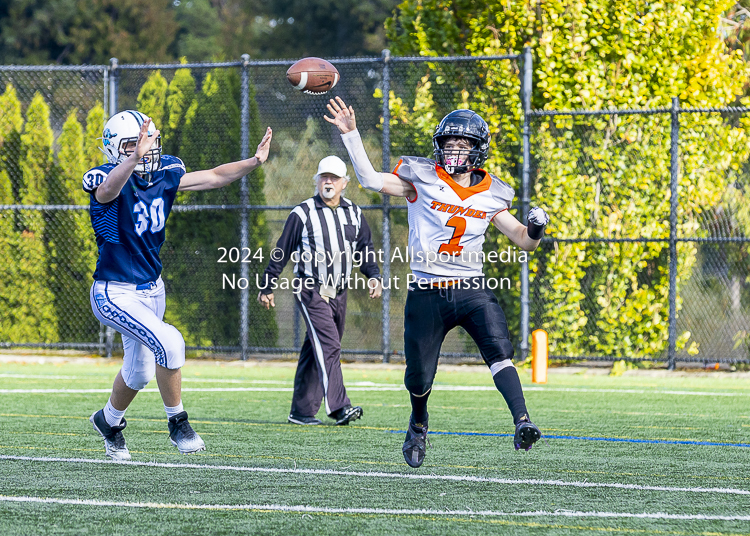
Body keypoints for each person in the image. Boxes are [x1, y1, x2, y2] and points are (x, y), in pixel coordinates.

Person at [324, 97, 549, 468]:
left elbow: (524, 240)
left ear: (479, 150)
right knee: (418, 376)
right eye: (448, 144)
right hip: (428, 290)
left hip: (471, 288)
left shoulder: (494, 192)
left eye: (462, 146)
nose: (454, 152)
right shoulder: (422, 176)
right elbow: (368, 179)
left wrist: (537, 228)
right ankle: (418, 423)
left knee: (499, 350)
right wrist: (351, 135)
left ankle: (523, 421)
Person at [85, 110, 272, 460]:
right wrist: (135, 158)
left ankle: (108, 422)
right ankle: (178, 423)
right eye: (134, 144)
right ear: (114, 150)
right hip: (113, 291)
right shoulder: (103, 176)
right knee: (171, 343)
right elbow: (109, 192)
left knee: (138, 373)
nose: (146, 149)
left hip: (152, 287)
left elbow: (214, 177)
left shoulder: (166, 171)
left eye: (150, 142)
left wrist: (254, 161)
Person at [257, 155, 383, 426]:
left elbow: (365, 248)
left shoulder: (354, 212)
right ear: (316, 180)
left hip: (340, 291)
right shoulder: (302, 213)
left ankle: (301, 411)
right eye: (324, 177)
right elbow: (282, 250)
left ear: (344, 183)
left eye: (334, 178)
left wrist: (373, 275)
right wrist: (268, 284)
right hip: (311, 289)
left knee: (315, 348)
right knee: (329, 345)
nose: (329, 182)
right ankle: (339, 407)